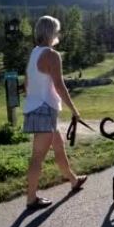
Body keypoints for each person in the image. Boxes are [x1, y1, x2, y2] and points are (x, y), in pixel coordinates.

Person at [22, 15, 87, 209]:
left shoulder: (34, 52)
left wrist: (35, 97)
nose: (58, 34)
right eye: (57, 31)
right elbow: (59, 85)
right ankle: (31, 199)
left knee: (59, 147)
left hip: (37, 109)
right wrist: (74, 110)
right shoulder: (51, 55)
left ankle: (73, 181)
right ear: (51, 32)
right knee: (37, 158)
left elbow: (26, 82)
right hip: (44, 111)